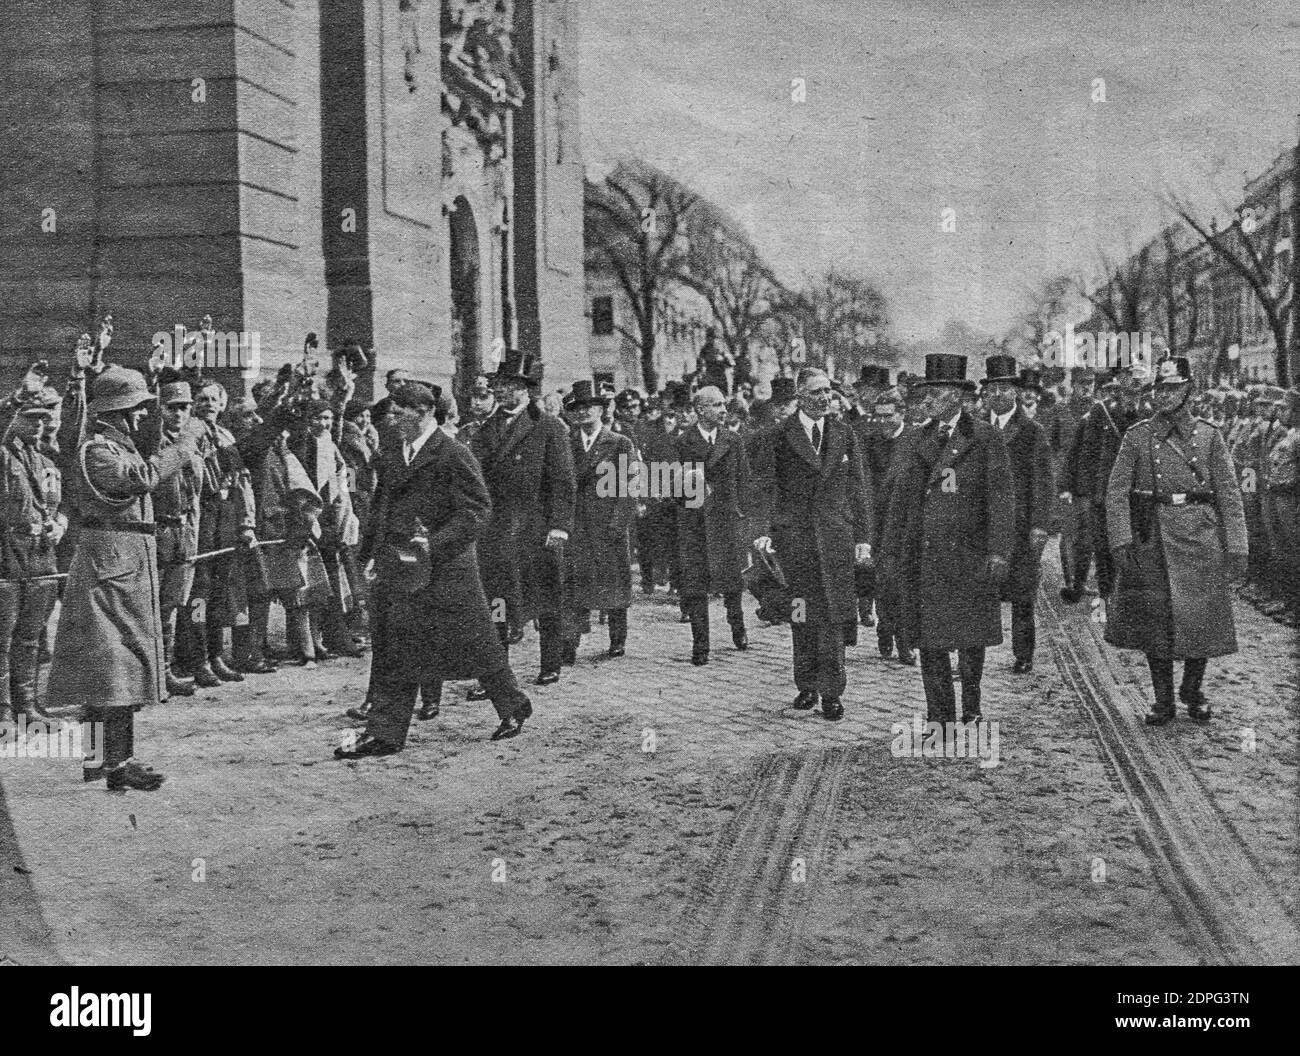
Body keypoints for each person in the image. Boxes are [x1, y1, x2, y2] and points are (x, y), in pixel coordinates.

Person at [336, 380, 533, 755]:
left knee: (477, 645)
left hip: (449, 570)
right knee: (395, 646)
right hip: (402, 568)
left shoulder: (453, 452)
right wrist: (370, 556)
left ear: (423, 413)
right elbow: (382, 508)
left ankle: (512, 705)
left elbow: (477, 511)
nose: (390, 419)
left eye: (399, 412)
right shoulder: (394, 452)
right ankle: (386, 733)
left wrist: (435, 542)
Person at [47, 367, 202, 791]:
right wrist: (185, 445)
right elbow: (141, 478)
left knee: (112, 664)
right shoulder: (97, 450)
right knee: (116, 664)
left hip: (123, 561)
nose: (142, 417)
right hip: (110, 563)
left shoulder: (119, 444)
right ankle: (118, 762)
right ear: (115, 413)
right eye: (135, 409)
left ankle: (101, 761)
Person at [1104, 356, 1248, 725]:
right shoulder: (1138, 436)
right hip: (1152, 535)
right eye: (1160, 389)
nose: (1165, 396)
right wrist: (1121, 539)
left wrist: (1237, 546)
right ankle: (1163, 699)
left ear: (1188, 390)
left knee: (1202, 617)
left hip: (1201, 534)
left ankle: (1193, 689)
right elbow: (1117, 491)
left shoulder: (1209, 436)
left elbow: (1229, 494)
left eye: (1174, 388)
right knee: (1157, 621)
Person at [880, 352, 1013, 727]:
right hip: (923, 558)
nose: (926, 402)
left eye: (934, 395)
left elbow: (1001, 499)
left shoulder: (984, 437)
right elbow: (898, 502)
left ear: (956, 396)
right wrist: (889, 552)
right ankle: (940, 718)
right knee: (929, 641)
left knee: (971, 638)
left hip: (969, 555)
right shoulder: (914, 440)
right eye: (925, 396)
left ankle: (971, 707)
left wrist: (999, 551)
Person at [751, 368, 872, 721]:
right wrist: (763, 531)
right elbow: (764, 488)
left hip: (836, 538)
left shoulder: (845, 433)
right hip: (796, 540)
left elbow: (858, 490)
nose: (825, 398)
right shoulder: (778, 436)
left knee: (833, 616)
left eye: (828, 392)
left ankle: (832, 692)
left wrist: (863, 538)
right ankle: (806, 684)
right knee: (801, 614)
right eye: (817, 392)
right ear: (800, 396)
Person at [468, 350, 575, 688]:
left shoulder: (550, 427)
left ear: (525, 389)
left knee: (545, 598)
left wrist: (559, 526)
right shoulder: (487, 429)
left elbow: (563, 481)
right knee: (497, 603)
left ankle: (550, 662)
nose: (498, 390)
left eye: (507, 385)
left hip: (537, 528)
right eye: (497, 384)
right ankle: (497, 676)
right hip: (497, 529)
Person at [180, 380, 256, 687]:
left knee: (219, 592)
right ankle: (196, 659)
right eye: (201, 399)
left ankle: (215, 655)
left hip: (225, 516)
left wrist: (246, 523)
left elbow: (242, 482)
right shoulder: (187, 435)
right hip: (200, 515)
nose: (208, 404)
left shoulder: (226, 436)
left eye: (214, 399)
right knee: (198, 591)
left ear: (222, 405)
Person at [981, 356, 1053, 674]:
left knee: (1022, 594)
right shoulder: (976, 429)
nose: (998, 394)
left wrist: (1039, 526)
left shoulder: (1032, 431)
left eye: (1005, 388)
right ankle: (973, 654)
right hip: (983, 525)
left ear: (1016, 392)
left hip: (1022, 525)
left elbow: (1042, 482)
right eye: (993, 389)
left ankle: (1023, 653)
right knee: (978, 594)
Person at [0, 381, 67, 720]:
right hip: (8, 558)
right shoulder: (3, 457)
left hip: (42, 558)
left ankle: (26, 706)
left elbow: (60, 507)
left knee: (29, 638)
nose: (39, 423)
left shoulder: (44, 461)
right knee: (2, 640)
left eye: (43, 417)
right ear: (15, 419)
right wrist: (13, 401)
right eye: (31, 417)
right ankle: (2, 712)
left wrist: (61, 524)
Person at [674, 385, 753, 666]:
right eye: (716, 405)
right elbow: (672, 487)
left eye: (723, 405)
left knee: (732, 581)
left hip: (725, 520)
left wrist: (743, 516)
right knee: (695, 586)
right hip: (694, 523)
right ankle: (701, 644)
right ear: (700, 410)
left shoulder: (733, 440)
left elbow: (744, 481)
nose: (722, 410)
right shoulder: (682, 442)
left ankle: (738, 627)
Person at [562, 381, 636, 661]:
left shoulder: (619, 443)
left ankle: (618, 638)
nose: (583, 413)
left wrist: (618, 524)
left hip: (608, 526)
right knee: (573, 586)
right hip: (577, 525)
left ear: (601, 410)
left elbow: (629, 486)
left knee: (614, 584)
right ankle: (569, 644)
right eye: (577, 408)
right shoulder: (567, 442)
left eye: (589, 407)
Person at [151, 381, 206, 697]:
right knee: (152, 608)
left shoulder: (195, 444)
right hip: (160, 531)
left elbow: (197, 495)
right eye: (172, 407)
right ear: (161, 409)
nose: (178, 413)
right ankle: (153, 676)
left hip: (185, 533)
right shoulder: (154, 442)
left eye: (184, 407)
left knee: (172, 607)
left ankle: (167, 671)